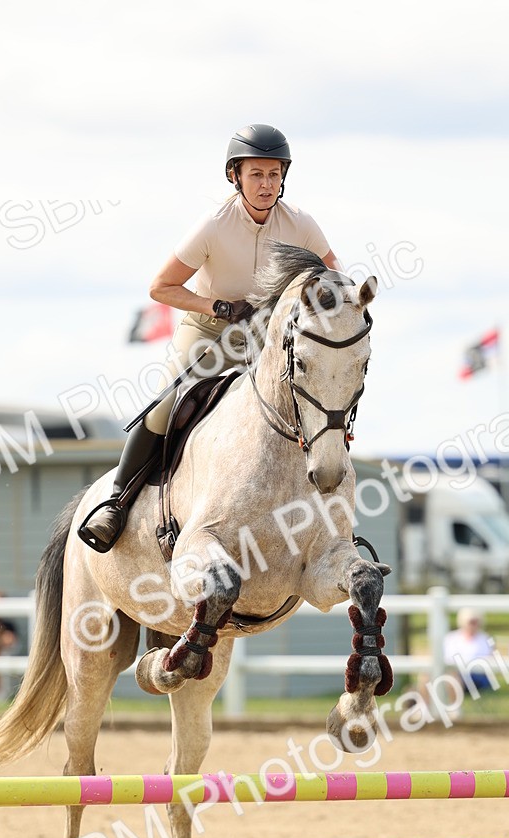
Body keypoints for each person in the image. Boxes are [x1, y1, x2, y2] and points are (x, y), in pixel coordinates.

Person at [78, 123, 341, 554]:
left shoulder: (302, 225)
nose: (266, 184)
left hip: (265, 338)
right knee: (166, 403)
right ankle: (117, 501)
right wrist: (218, 307)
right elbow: (161, 287)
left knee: (315, 396)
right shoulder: (212, 226)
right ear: (235, 176)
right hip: (208, 332)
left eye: (274, 174)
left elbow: (334, 276)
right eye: (256, 174)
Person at [443, 607, 496, 694]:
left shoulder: (486, 639)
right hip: (452, 672)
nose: (474, 625)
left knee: (452, 676)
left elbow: (490, 661)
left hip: (475, 675)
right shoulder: (451, 638)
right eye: (471, 622)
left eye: (476, 622)